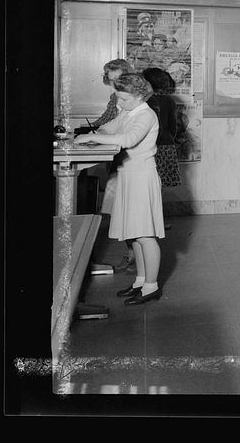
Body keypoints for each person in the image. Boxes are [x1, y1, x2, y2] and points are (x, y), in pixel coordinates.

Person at [76, 73, 166, 306]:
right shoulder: (129, 111)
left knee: (145, 235)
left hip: (142, 177)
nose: (118, 104)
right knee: (134, 234)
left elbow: (128, 139)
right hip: (128, 176)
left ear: (138, 96)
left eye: (123, 99)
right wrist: (93, 135)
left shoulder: (146, 114)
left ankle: (152, 286)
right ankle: (141, 281)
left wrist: (90, 137)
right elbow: (109, 128)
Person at [142, 67, 183, 190]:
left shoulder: (145, 100)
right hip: (166, 145)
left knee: (148, 184)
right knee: (161, 184)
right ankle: (157, 208)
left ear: (149, 83)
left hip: (149, 146)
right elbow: (173, 127)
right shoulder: (169, 101)